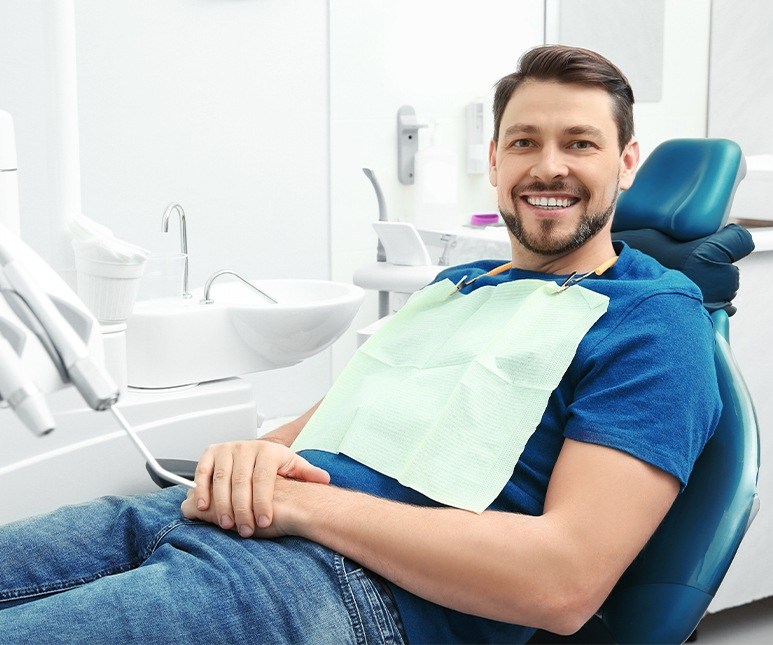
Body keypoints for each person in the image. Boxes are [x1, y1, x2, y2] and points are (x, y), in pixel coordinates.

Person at [0, 45, 720, 644]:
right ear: (495, 162)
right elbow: (325, 424)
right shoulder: (457, 285)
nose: (548, 167)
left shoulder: (654, 324)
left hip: (352, 588)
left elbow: (562, 582)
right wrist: (255, 454)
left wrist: (302, 508)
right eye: (524, 142)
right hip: (210, 520)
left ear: (626, 163)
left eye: (580, 144)